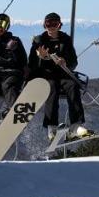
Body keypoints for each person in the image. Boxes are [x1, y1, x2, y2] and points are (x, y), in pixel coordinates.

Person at [31, 12, 88, 140]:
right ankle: (52, 125)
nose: (51, 27)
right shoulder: (39, 41)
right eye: (48, 24)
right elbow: (32, 63)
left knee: (72, 86)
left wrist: (65, 62)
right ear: (44, 25)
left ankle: (75, 125)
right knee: (51, 88)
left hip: (63, 73)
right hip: (47, 74)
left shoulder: (65, 40)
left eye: (54, 24)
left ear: (59, 25)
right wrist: (41, 58)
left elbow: (74, 61)